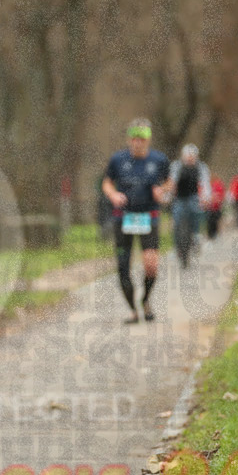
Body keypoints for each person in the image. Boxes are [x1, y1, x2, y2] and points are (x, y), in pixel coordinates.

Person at [102, 118, 170, 324]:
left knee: (151, 265)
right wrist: (113, 195)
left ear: (148, 140)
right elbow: (106, 183)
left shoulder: (159, 160)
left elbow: (168, 182)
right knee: (123, 265)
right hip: (123, 218)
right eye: (133, 138)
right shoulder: (117, 160)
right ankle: (133, 310)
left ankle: (145, 300)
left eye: (141, 139)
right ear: (128, 139)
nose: (137, 142)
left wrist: (162, 191)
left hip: (148, 216)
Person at [167, 144, 212, 267]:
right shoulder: (176, 166)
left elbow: (205, 183)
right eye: (187, 156)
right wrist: (168, 195)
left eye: (192, 156)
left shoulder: (201, 167)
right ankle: (177, 248)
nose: (190, 158)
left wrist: (206, 198)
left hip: (194, 197)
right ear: (183, 156)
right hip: (179, 198)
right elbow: (172, 181)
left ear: (196, 157)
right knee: (176, 223)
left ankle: (197, 236)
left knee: (197, 213)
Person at [205, 173, 225, 240]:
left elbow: (221, 195)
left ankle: (217, 235)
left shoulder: (219, 184)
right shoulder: (207, 185)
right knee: (210, 222)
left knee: (217, 221)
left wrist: (217, 200)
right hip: (210, 207)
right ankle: (210, 236)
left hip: (217, 207)